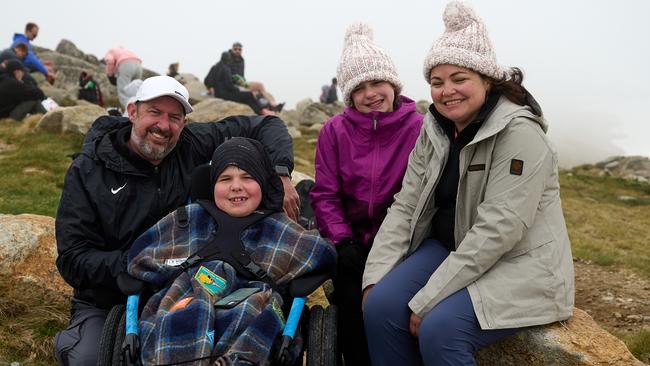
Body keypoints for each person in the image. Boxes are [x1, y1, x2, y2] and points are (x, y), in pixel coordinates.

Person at [362, 2, 575, 365]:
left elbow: (499, 229)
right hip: (451, 246)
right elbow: (406, 205)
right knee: (379, 307)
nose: (448, 92)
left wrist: (429, 298)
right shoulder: (434, 131)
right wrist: (374, 277)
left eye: (459, 79)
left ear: (486, 79)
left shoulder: (520, 133)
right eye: (437, 82)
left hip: (518, 262)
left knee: (440, 327)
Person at [53, 76, 300, 365]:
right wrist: (142, 264)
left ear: (183, 124)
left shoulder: (189, 144)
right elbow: (72, 257)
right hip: (109, 298)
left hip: (186, 290)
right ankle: (76, 338)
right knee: (91, 359)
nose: (163, 126)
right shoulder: (88, 171)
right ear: (132, 112)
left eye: (174, 117)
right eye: (154, 112)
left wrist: (281, 173)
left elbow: (266, 125)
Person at [126, 137, 336, 365]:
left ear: (264, 184)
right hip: (187, 291)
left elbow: (321, 252)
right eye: (225, 179)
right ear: (212, 186)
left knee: (252, 314)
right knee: (179, 316)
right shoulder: (190, 218)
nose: (236, 186)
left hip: (253, 297)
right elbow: (141, 255)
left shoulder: (277, 226)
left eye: (248, 178)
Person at [310, 22, 423, 366]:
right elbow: (325, 194)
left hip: (403, 244)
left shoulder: (419, 127)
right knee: (349, 304)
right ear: (349, 94)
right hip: (353, 243)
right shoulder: (335, 131)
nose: (371, 93)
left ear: (393, 83)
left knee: (397, 310)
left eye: (377, 82)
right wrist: (343, 241)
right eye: (360, 87)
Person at [222, 42, 284, 112]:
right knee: (252, 92)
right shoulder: (227, 59)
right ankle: (264, 109)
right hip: (231, 85)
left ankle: (274, 105)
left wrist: (243, 82)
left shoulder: (241, 60)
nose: (237, 51)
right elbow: (225, 74)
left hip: (241, 83)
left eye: (239, 49)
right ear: (232, 49)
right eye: (235, 49)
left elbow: (241, 75)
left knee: (260, 85)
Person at [204, 52, 268, 115]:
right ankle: (261, 111)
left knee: (246, 97)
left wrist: (210, 89)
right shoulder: (226, 68)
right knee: (249, 95)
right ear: (228, 59)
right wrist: (238, 89)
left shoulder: (215, 67)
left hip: (217, 94)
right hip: (224, 95)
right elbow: (229, 86)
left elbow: (206, 81)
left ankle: (261, 111)